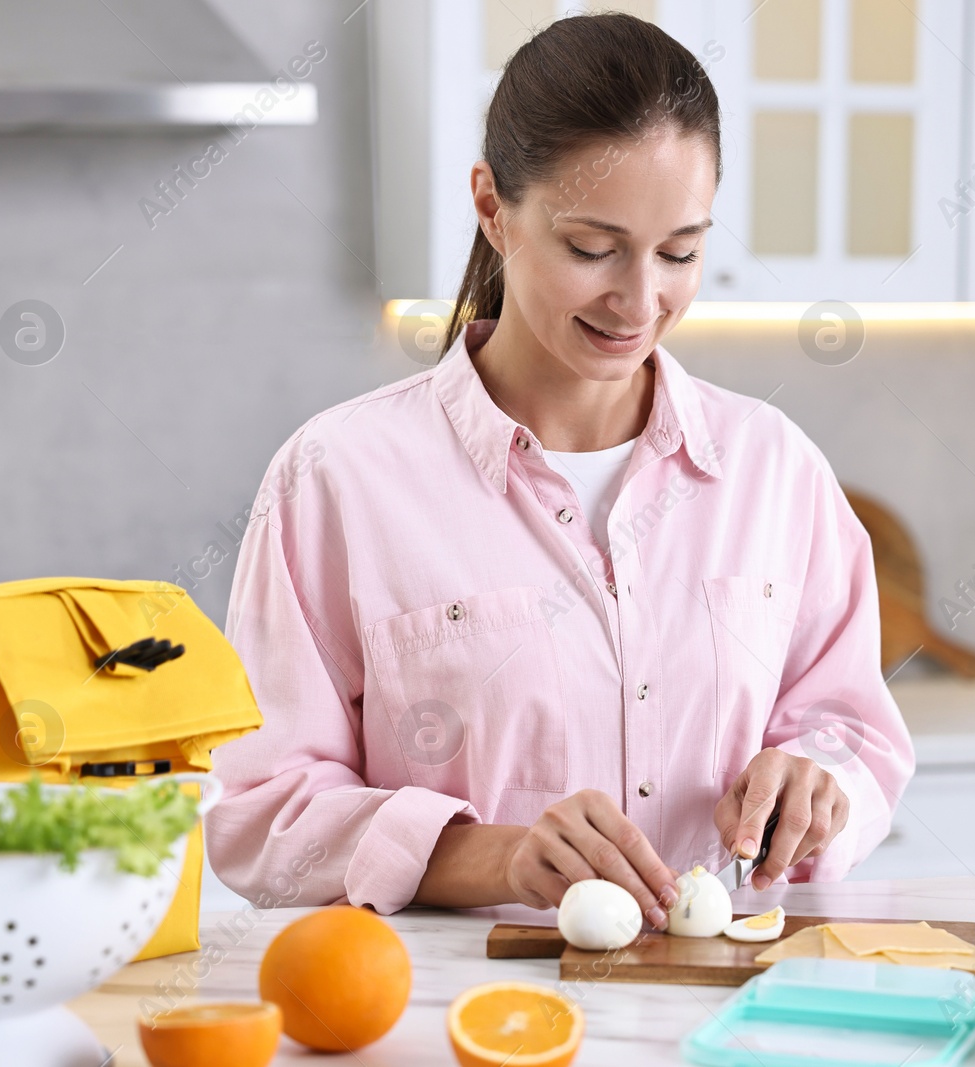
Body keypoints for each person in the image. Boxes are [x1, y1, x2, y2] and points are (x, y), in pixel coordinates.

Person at [204, 12, 913, 933]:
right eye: (592, 248)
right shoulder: (338, 478)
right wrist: (494, 851)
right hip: (464, 1020)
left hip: (724, 1011)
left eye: (681, 251)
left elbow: (855, 734)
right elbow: (260, 815)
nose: (639, 298)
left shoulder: (774, 468)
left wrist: (824, 785)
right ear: (493, 207)